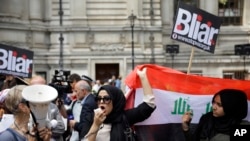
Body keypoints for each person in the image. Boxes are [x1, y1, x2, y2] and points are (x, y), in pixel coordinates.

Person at [82, 67, 156, 141]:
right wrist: (96, 124)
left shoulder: (124, 117)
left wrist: (143, 77)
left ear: (115, 101)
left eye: (106, 99)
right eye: (99, 99)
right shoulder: (90, 118)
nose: (101, 102)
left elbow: (149, 105)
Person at [182, 89, 249, 141]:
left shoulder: (243, 128)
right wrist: (186, 128)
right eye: (214, 102)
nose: (214, 107)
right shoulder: (207, 119)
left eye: (219, 105)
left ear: (231, 107)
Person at [30, 75, 66, 141]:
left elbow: (61, 128)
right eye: (35, 88)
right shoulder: (25, 107)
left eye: (41, 88)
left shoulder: (53, 106)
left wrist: (46, 129)